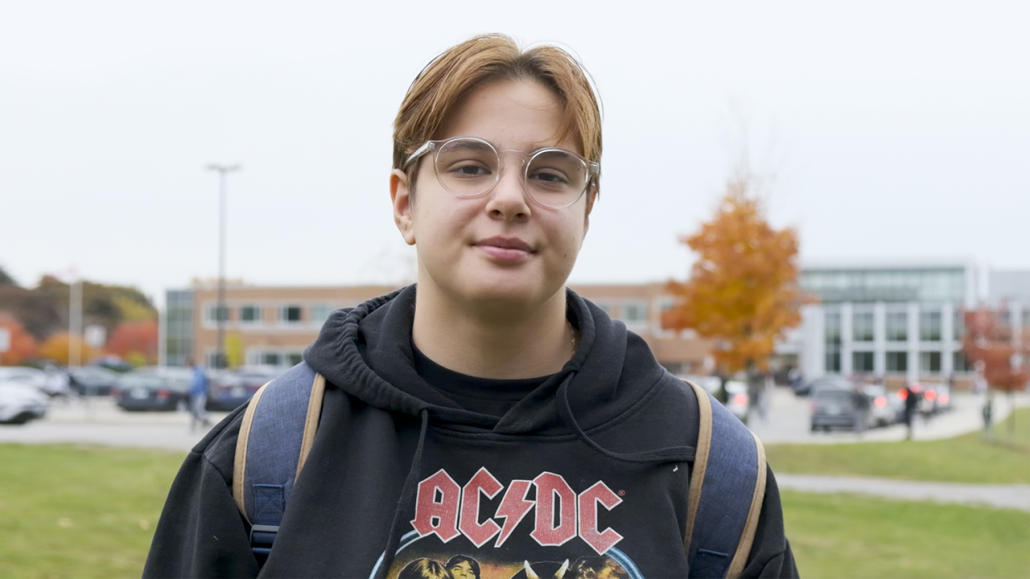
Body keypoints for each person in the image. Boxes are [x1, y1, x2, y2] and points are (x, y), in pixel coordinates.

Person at [143, 34, 796, 578]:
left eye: (549, 172)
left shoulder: (710, 469)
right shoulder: (268, 456)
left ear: (587, 208)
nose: (510, 197)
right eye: (468, 165)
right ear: (404, 202)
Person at [187, 359, 209, 432]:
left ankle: (206, 420)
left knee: (198, 409)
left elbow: (198, 383)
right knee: (195, 410)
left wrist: (192, 390)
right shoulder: (196, 371)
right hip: (196, 394)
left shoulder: (198, 371)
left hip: (199, 394)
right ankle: (194, 425)